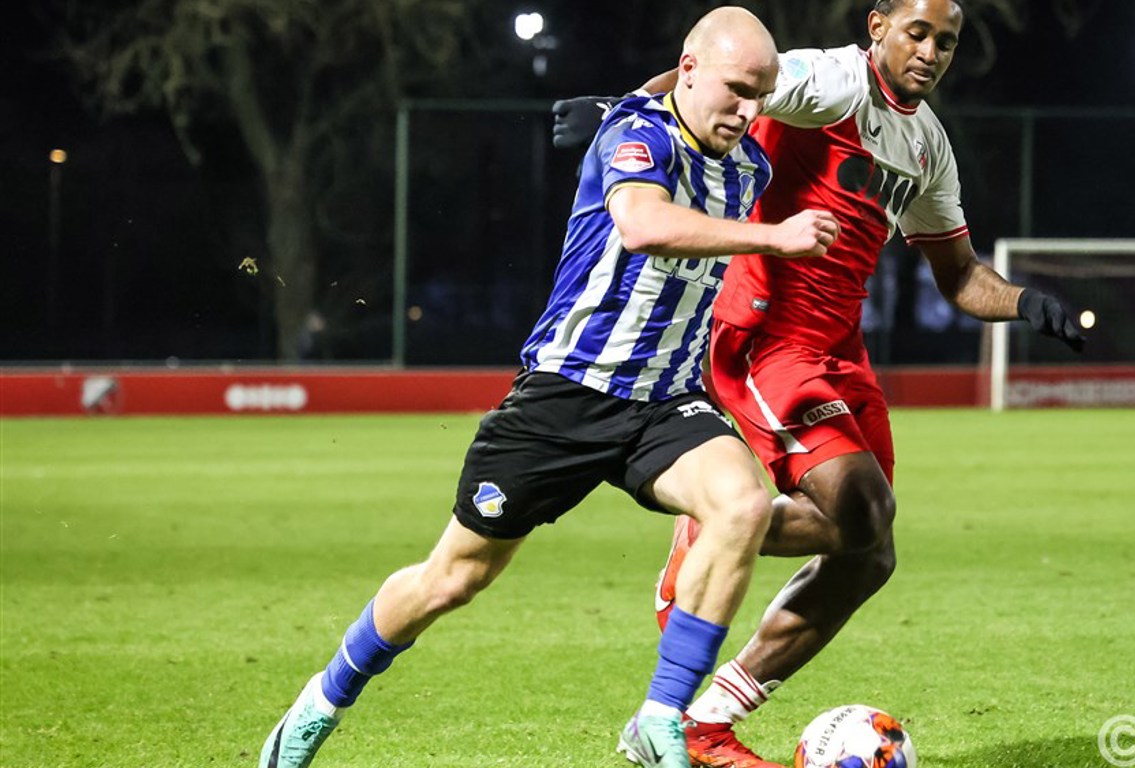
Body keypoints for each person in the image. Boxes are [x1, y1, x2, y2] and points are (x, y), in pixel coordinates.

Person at [257, 9, 841, 768]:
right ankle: (320, 702)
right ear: (689, 70)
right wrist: (773, 236)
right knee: (454, 578)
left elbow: (723, 111)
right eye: (734, 89)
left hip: (665, 400)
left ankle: (661, 716)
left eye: (760, 95)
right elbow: (640, 223)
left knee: (741, 506)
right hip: (565, 395)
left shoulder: (748, 166)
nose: (747, 111)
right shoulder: (637, 134)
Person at [553, 1, 1085, 766]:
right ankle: (714, 525)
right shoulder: (828, 82)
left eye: (946, 41)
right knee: (863, 507)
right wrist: (625, 110)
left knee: (868, 553)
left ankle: (704, 722)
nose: (931, 52)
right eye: (917, 32)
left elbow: (960, 276)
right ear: (877, 27)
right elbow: (723, 81)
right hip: (763, 335)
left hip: (838, 349)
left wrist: (1026, 304)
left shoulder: (927, 145)